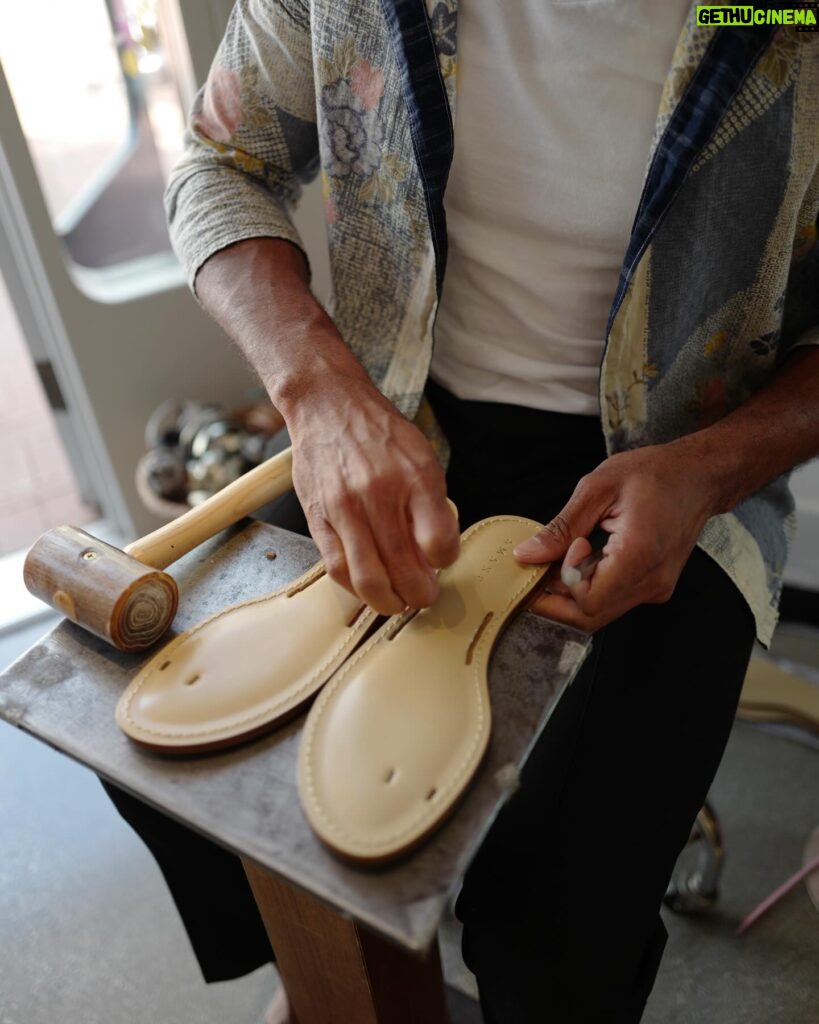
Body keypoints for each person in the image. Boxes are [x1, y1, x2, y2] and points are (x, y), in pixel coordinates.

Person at [105, 3, 819, 1021]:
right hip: (394, 416)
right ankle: (331, 961)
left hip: (685, 461)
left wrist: (710, 470)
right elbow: (220, 164)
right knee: (169, 751)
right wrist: (317, 394)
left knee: (550, 924)